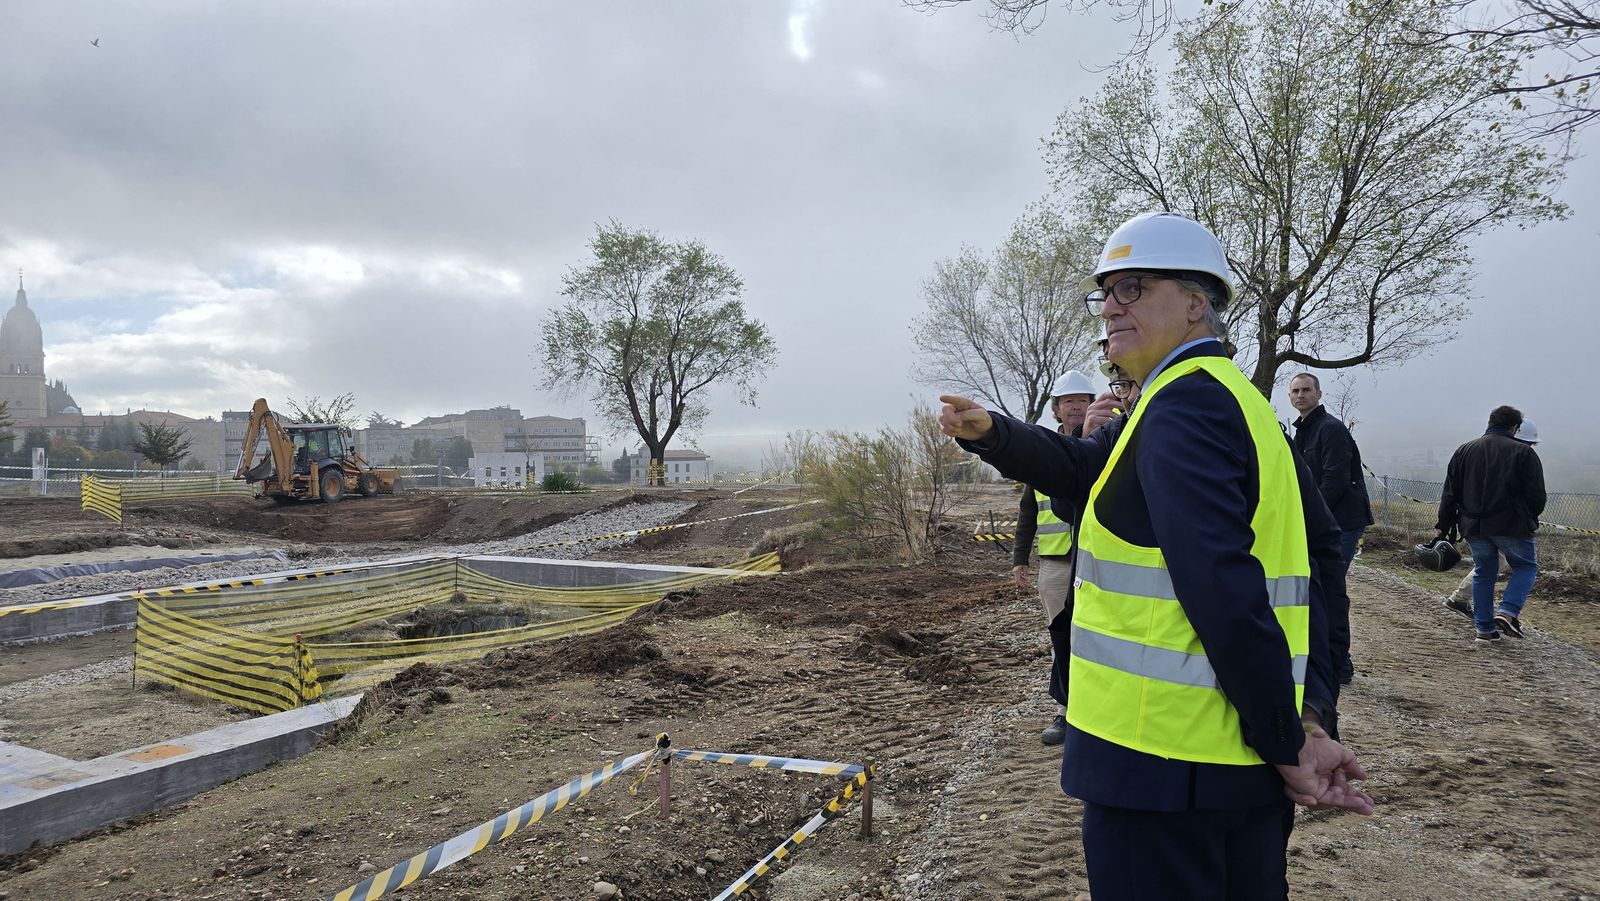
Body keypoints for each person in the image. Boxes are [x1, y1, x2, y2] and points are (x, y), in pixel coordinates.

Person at [941, 211, 1371, 899]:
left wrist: (1290, 739)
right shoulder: (1229, 401)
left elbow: (1224, 591)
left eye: (1133, 287)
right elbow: (1093, 469)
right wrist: (995, 435)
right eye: (1105, 292)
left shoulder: (1185, 409)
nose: (1110, 306)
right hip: (1226, 770)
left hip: (1162, 770)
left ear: (1197, 302)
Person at [1013, 370, 1097, 745]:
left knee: (1098, 638)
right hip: (1056, 564)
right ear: (1057, 410)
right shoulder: (1046, 451)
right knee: (1061, 638)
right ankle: (1067, 712)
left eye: (1083, 400)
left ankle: (1097, 712)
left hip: (1098, 561)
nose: (1077, 406)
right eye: (1069, 401)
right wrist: (1020, 558)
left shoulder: (1105, 443)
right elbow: (1028, 509)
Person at [1288, 372, 1373, 684]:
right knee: (1319, 588)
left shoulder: (1331, 429)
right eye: (1295, 391)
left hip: (1341, 522)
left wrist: (1311, 519)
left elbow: (1334, 481)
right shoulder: (1302, 432)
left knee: (1331, 589)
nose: (1300, 395)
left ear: (1319, 394)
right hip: (1322, 522)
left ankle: (1339, 663)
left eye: (1306, 390)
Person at [1435, 409, 1545, 642]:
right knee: (1526, 567)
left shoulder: (1464, 450)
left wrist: (1443, 525)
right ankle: (1507, 612)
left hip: (1473, 525)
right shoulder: (1524, 453)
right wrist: (1528, 516)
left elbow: (1449, 493)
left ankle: (1484, 630)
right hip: (1512, 525)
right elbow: (1537, 497)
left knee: (1485, 572)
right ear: (1514, 427)